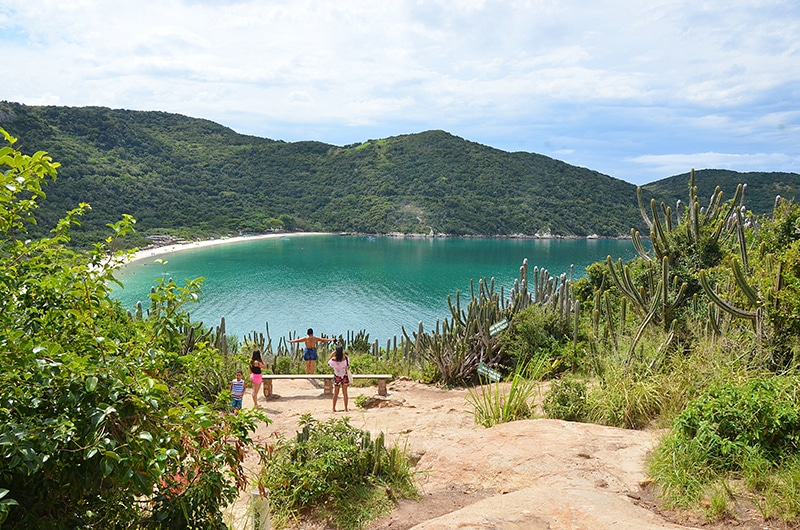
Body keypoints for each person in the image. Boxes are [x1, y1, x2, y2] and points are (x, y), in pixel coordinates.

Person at [327, 345, 350, 412]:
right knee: (345, 393)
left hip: (337, 376)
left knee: (336, 393)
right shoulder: (345, 359)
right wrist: (343, 353)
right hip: (344, 376)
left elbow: (328, 363)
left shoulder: (334, 360)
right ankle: (346, 408)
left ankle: (333, 408)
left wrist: (332, 354)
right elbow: (348, 363)